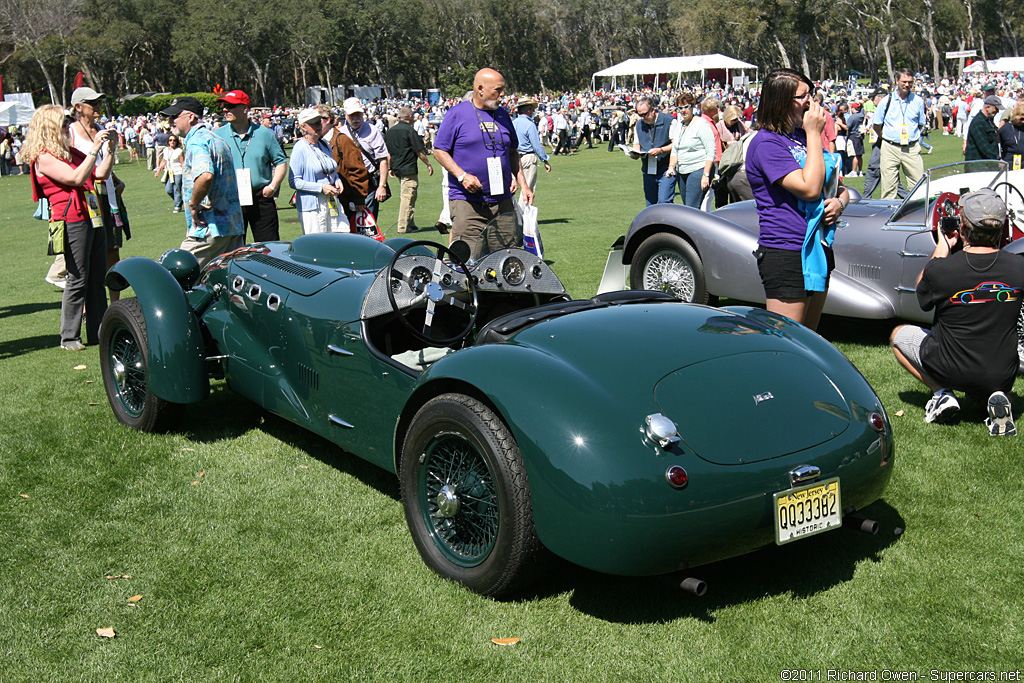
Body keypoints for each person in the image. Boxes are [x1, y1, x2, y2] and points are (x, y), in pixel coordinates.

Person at [890, 188, 1023, 436]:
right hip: (1002, 370)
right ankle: (995, 396)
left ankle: (942, 394)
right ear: (1001, 228)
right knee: (983, 384)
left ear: (962, 227)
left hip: (949, 368)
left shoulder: (942, 269)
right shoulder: (1019, 266)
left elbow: (922, 295)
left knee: (898, 335)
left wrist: (943, 246)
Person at [746, 68, 851, 332]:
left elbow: (839, 188)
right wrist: (815, 134)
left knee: (809, 340)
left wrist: (840, 204)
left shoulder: (802, 138)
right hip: (787, 251)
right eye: (803, 96)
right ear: (781, 102)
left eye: (811, 94)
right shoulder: (767, 144)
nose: (811, 102)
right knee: (786, 345)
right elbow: (809, 189)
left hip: (818, 248)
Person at [23, 105, 115, 350]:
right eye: (62, 124)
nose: (67, 127)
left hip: (92, 216)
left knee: (97, 278)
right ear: (49, 127)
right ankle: (69, 337)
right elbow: (75, 179)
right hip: (72, 220)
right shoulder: (43, 157)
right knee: (77, 278)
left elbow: (99, 175)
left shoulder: (69, 153)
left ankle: (98, 332)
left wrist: (110, 151)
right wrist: (94, 149)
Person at [432, 67, 532, 259]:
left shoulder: (503, 115)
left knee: (505, 260)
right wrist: (462, 175)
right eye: (498, 90)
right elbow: (439, 151)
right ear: (480, 89)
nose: (503, 95)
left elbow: (512, 152)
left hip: (502, 203)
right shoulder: (457, 114)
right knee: (466, 262)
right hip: (468, 202)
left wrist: (524, 184)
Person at [158, 96, 244, 267]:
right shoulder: (217, 139)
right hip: (232, 226)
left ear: (190, 117)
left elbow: (205, 175)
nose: (170, 121)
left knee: (175, 271)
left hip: (210, 228)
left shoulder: (197, 141)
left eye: (174, 116)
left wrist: (194, 204)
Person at [69, 87, 127, 303]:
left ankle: (115, 303)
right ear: (78, 107)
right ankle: (85, 307)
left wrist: (116, 176)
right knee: (85, 256)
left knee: (112, 252)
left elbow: (105, 167)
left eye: (99, 102)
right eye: (92, 103)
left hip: (108, 198)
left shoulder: (102, 128)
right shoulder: (71, 133)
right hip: (84, 199)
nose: (97, 106)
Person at [214, 89, 288, 242]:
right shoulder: (217, 136)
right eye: (224, 106)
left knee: (269, 248)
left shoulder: (264, 134)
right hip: (230, 200)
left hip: (261, 198)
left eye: (230, 106)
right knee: (231, 250)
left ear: (245, 109)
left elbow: (281, 162)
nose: (225, 109)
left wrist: (273, 187)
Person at [289, 107, 345, 234]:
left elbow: (331, 170)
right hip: (312, 207)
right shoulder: (300, 148)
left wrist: (337, 180)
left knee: (341, 236)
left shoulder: (324, 145)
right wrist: (321, 187)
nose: (317, 126)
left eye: (319, 122)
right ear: (303, 127)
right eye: (313, 123)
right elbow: (294, 181)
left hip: (331, 202)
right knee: (318, 244)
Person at [873, 69, 928, 199]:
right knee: (888, 188)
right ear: (897, 81)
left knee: (918, 185)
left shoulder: (918, 101)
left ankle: (918, 215)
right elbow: (877, 125)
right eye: (904, 81)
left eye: (910, 82)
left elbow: (920, 124)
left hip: (911, 148)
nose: (907, 85)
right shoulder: (886, 101)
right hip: (890, 147)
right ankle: (887, 216)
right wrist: (886, 138)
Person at [384, 106, 434, 233]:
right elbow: (419, 150)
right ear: (410, 117)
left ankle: (411, 223)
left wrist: (390, 167)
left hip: (397, 168)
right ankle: (402, 227)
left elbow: (388, 153)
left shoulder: (390, 131)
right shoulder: (409, 131)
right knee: (407, 197)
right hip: (408, 168)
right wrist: (428, 164)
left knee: (410, 196)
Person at [340, 97, 390, 221]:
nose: (356, 118)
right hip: (347, 184)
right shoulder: (340, 133)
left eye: (358, 115)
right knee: (347, 225)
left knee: (368, 224)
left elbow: (383, 160)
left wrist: (382, 186)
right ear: (345, 115)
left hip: (369, 183)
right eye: (352, 115)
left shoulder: (373, 131)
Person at [665, 93, 714, 208]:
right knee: (687, 208)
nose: (683, 111)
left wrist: (706, 175)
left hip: (698, 169)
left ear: (692, 107)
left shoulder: (701, 124)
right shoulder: (679, 125)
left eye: (686, 107)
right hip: (682, 171)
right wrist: (671, 167)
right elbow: (675, 149)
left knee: (691, 208)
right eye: (680, 108)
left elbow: (711, 151)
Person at [632, 96, 680, 206]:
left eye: (645, 114)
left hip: (667, 168)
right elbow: (636, 144)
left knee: (664, 202)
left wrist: (661, 150)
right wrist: (634, 153)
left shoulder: (669, 121)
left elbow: (677, 145)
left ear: (653, 110)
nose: (642, 118)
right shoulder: (639, 125)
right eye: (640, 115)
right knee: (650, 205)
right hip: (648, 170)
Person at [511, 96, 550, 207]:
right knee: (527, 188)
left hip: (513, 157)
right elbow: (536, 145)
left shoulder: (512, 123)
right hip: (527, 157)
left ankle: (512, 215)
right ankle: (522, 219)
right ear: (528, 110)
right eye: (532, 109)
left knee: (512, 188)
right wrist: (545, 160)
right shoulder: (530, 124)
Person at [964, 96, 1004, 162]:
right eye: (996, 108)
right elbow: (984, 146)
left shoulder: (988, 121)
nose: (997, 111)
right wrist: (997, 159)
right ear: (987, 107)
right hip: (977, 165)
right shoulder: (978, 122)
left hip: (986, 163)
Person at [154, 134, 184, 212]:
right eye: (170, 140)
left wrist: (185, 173)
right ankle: (179, 201)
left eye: (174, 140)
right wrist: (158, 171)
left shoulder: (179, 151)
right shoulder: (166, 150)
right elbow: (164, 161)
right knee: (168, 189)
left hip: (178, 171)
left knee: (177, 189)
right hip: (169, 172)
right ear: (168, 141)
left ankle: (177, 206)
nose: (172, 142)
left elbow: (182, 163)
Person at [997, 102, 1024, 168]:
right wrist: (999, 158)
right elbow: (997, 146)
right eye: (1021, 119)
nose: (1023, 121)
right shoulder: (1005, 129)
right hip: (1008, 163)